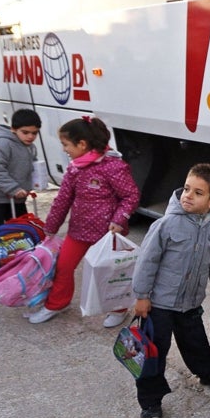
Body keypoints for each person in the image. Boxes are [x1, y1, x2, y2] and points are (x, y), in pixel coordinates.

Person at [130, 163, 210, 418]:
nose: (188, 195)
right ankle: (151, 401)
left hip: (190, 305)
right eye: (187, 188)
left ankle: (209, 374)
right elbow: (147, 262)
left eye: (198, 193)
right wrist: (142, 296)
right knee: (154, 353)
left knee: (197, 344)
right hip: (159, 306)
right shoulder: (166, 225)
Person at [29, 116, 140, 325]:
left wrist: (119, 219)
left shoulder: (113, 166)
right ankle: (56, 304)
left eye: (66, 144)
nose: (64, 149)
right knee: (64, 266)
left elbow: (130, 196)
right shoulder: (74, 168)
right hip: (78, 231)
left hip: (108, 233)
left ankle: (119, 308)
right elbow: (63, 199)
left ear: (82, 144)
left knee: (111, 272)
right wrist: (50, 228)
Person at [0, 108, 41, 288]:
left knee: (21, 233)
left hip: (16, 198)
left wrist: (32, 185)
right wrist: (12, 187)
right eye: (25, 132)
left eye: (34, 133)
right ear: (14, 129)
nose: (30, 137)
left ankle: (17, 267)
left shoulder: (30, 147)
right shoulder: (2, 143)